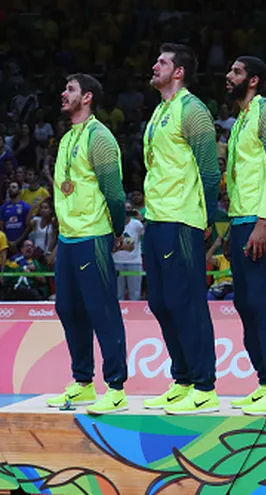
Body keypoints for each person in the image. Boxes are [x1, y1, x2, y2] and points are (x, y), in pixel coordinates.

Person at [141, 43, 222, 415]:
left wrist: (204, 218)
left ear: (179, 72)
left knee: (185, 301)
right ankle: (183, 379)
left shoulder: (194, 110)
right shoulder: (159, 111)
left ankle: (204, 385)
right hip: (155, 218)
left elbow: (209, 170)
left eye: (162, 62)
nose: (154, 66)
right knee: (159, 301)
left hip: (183, 218)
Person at [46, 73, 128, 415]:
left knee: (102, 311)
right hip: (68, 238)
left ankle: (117, 387)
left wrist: (116, 231)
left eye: (70, 89)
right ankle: (82, 383)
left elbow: (114, 191)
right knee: (68, 309)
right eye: (64, 87)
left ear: (88, 97)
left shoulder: (100, 137)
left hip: (93, 235)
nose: (63, 93)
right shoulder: (66, 138)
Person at [223, 56, 266, 416]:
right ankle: (264, 380)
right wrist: (234, 225)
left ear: (253, 80)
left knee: (265, 302)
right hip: (241, 219)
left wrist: (263, 222)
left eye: (235, 72)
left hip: (260, 219)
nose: (227, 76)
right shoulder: (241, 119)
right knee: (246, 304)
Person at [112, 201, 145, 300]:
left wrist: (142, 219)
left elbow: (149, 235)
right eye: (124, 208)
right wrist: (123, 247)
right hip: (116, 262)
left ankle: (135, 315)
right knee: (118, 294)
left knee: (135, 294)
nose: (126, 211)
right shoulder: (112, 224)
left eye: (129, 209)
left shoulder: (137, 224)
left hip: (134, 262)